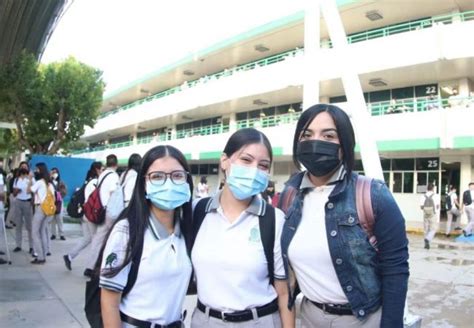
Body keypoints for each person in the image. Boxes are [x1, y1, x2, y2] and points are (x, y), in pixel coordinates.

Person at [278, 104, 409, 327]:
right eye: (307, 135)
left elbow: (396, 268)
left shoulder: (373, 194)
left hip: (363, 319)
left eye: (328, 135)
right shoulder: (289, 196)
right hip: (309, 316)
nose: (315, 141)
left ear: (345, 145)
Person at [191, 128, 293, 327]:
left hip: (258, 321)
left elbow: (283, 293)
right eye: (246, 160)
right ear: (224, 161)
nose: (254, 170)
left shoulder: (274, 219)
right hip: (205, 320)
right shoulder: (198, 211)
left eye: (263, 165)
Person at [99, 145, 193, 327]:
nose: (168, 184)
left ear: (187, 181)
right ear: (143, 183)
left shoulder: (187, 230)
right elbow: (109, 303)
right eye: (157, 176)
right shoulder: (126, 231)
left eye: (177, 175)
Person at [63, 161, 103, 271]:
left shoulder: (89, 181)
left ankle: (70, 256)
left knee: (87, 239)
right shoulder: (95, 182)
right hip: (91, 215)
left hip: (85, 214)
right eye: (102, 169)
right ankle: (91, 267)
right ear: (97, 170)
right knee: (96, 240)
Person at [86, 154, 120, 277]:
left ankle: (90, 267)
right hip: (109, 212)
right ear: (116, 164)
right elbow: (113, 193)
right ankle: (105, 266)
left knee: (98, 239)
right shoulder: (114, 176)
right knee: (113, 239)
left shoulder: (102, 175)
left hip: (99, 210)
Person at [28, 162, 55, 264]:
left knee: (35, 232)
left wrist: (30, 179)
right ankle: (44, 254)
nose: (36, 171)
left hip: (40, 208)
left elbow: (28, 190)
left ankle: (40, 257)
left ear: (40, 170)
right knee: (42, 232)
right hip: (48, 210)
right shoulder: (49, 183)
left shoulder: (39, 182)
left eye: (37, 169)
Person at [12, 167, 34, 254]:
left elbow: (32, 190)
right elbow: (14, 192)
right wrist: (17, 191)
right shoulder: (16, 180)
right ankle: (18, 245)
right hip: (18, 201)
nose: (23, 176)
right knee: (18, 224)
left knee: (29, 226)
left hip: (27, 203)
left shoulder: (30, 180)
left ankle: (31, 246)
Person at [420, 183, 440, 249]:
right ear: (433, 188)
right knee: (433, 228)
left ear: (427, 188)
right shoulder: (436, 196)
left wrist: (426, 209)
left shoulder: (423, 196)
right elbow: (437, 206)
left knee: (426, 229)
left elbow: (421, 207)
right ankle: (428, 239)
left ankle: (425, 244)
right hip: (433, 214)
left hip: (425, 214)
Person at [50, 167, 67, 240]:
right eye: (53, 172)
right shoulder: (49, 182)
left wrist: (58, 193)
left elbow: (64, 192)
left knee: (59, 218)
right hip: (51, 202)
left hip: (59, 202)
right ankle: (53, 234)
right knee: (52, 219)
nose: (54, 174)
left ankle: (61, 234)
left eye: (56, 172)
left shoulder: (61, 182)